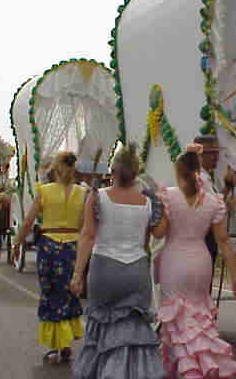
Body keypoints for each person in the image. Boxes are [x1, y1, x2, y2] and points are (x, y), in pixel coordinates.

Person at [70, 142, 166, 379]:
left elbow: (88, 236)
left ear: (113, 171)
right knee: (134, 335)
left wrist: (77, 274)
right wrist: (161, 204)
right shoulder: (147, 202)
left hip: (104, 270)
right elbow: (159, 233)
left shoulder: (97, 197)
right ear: (135, 174)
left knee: (101, 331)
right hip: (136, 272)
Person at [154, 144, 236, 378]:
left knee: (177, 323)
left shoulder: (168, 196)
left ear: (179, 171)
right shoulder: (214, 202)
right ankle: (203, 365)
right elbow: (223, 241)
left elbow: (160, 233)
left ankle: (187, 371)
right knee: (198, 320)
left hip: (174, 262)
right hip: (201, 263)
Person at [12, 151, 86, 364]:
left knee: (51, 293)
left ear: (55, 169)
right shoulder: (83, 193)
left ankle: (56, 346)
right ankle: (66, 343)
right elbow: (85, 226)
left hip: (50, 247)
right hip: (73, 247)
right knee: (69, 293)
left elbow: (28, 222)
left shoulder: (44, 191)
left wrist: (17, 242)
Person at [193, 135, 236, 291]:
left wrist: (227, 188)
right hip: (203, 240)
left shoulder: (203, 176)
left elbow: (213, 203)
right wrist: (227, 204)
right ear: (199, 155)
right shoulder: (201, 179)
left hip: (201, 240)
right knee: (203, 290)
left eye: (216, 153)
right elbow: (212, 211)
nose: (216, 158)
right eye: (211, 153)